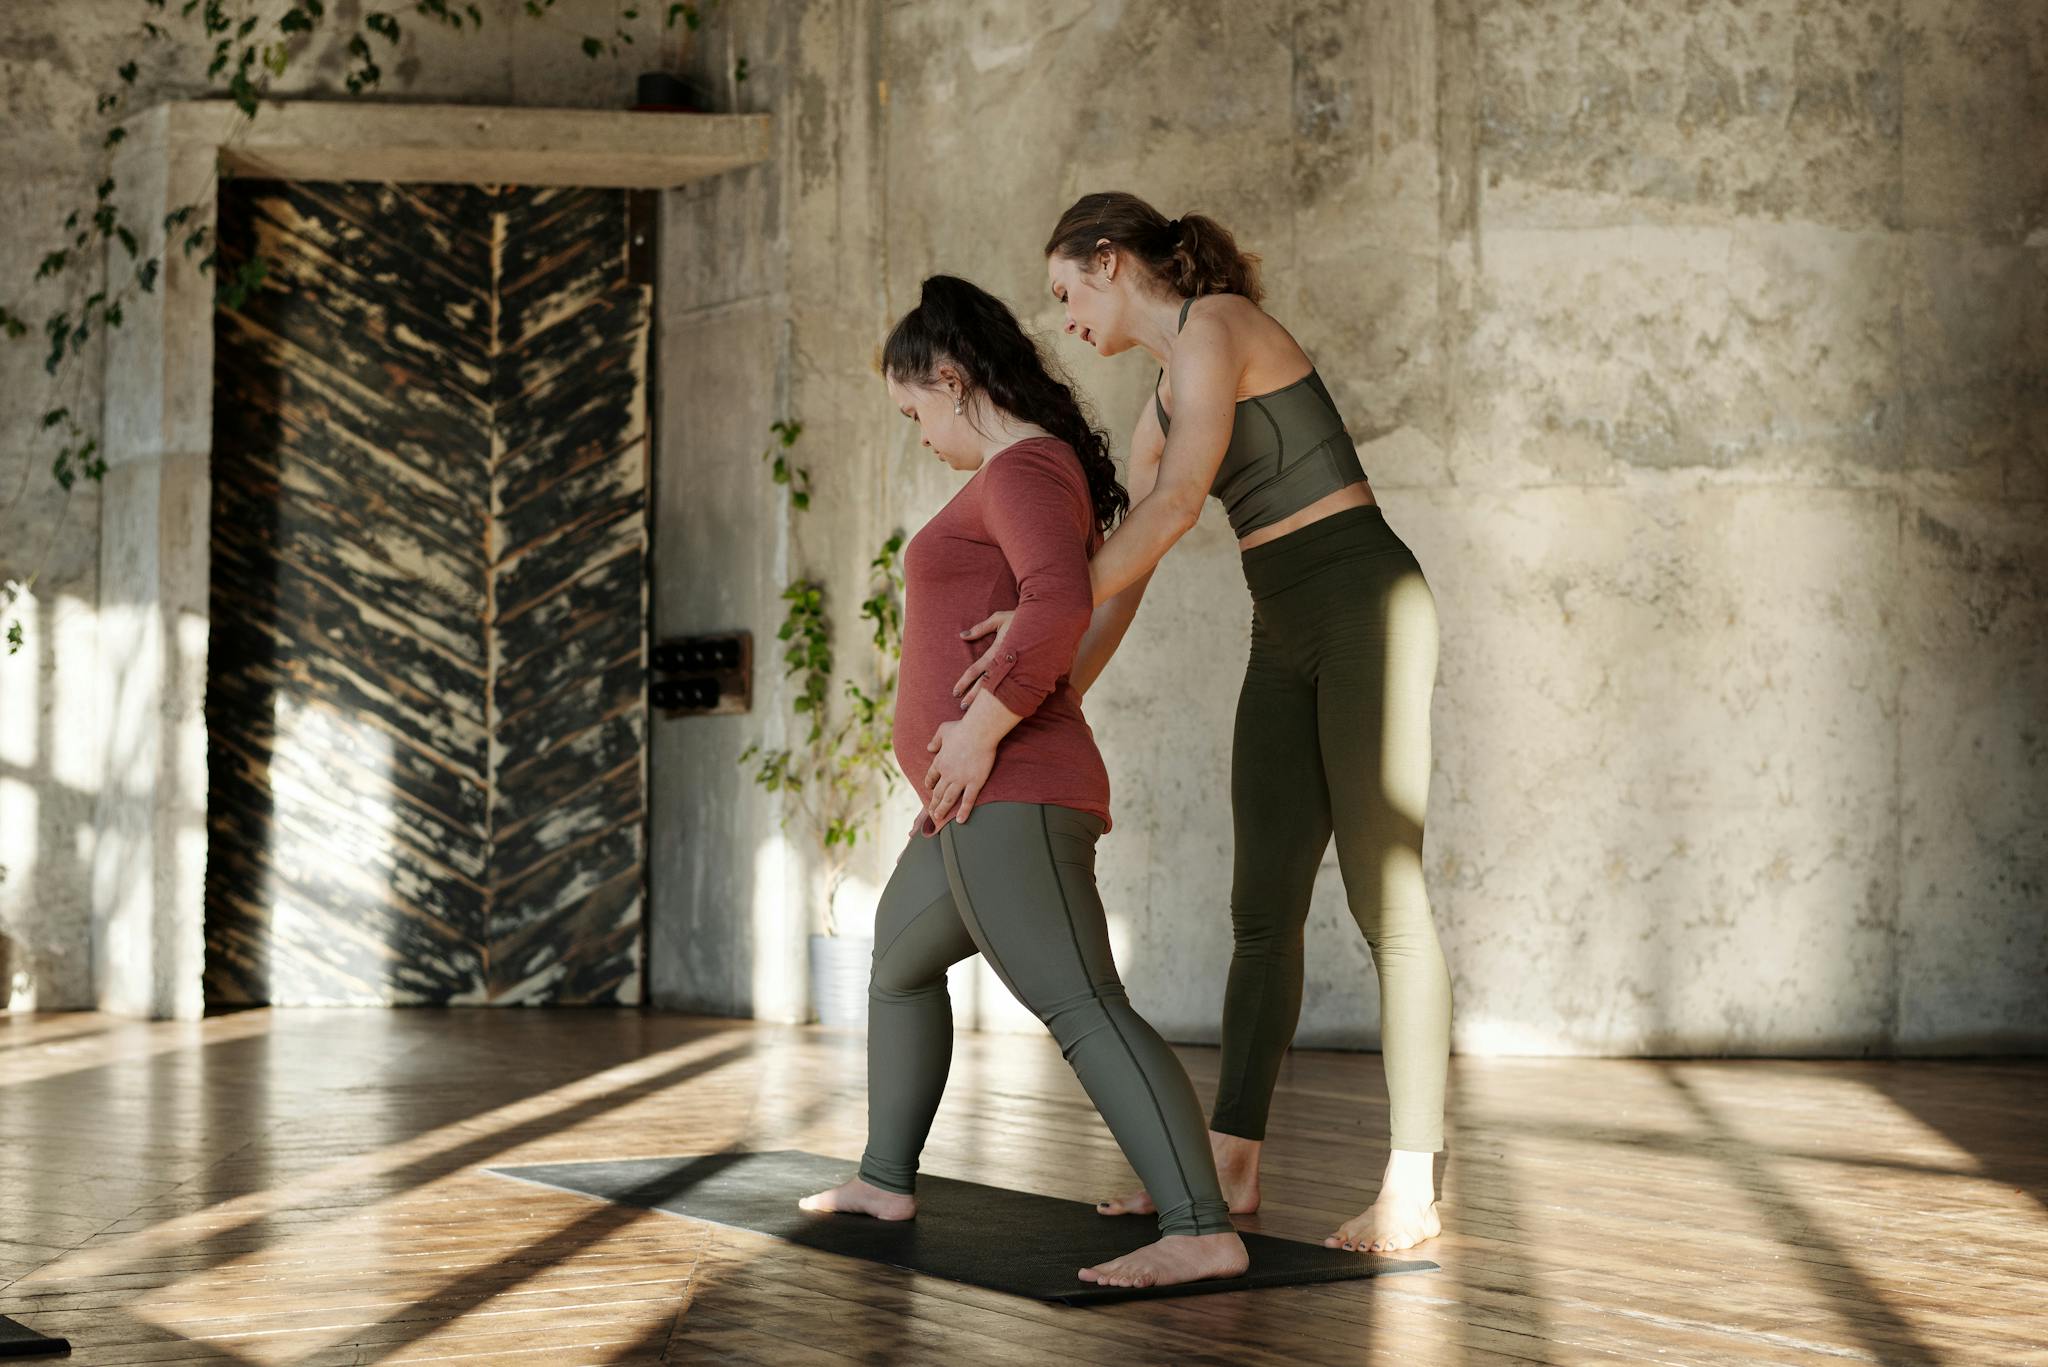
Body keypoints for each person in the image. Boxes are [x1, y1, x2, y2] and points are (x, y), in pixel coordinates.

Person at [953, 193, 1450, 1254]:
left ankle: (1412, 1180)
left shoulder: (1215, 326)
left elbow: (1177, 508)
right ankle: (1230, 1157)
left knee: (1384, 891)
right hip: (1283, 623)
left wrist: (1047, 606)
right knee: (1259, 905)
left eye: (1064, 294)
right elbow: (1125, 582)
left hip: (1366, 601)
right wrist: (1046, 692)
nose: (1062, 321)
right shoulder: (1156, 403)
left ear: (1109, 260)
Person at [797, 274, 1249, 1290]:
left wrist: (977, 735)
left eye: (913, 411)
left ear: (951, 381)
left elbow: (1055, 601)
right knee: (899, 961)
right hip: (969, 805)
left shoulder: (1024, 468)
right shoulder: (1012, 473)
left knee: (1082, 1000)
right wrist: (950, 762)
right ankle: (883, 1177)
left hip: (1014, 792)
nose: (915, 432)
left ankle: (1198, 1224)